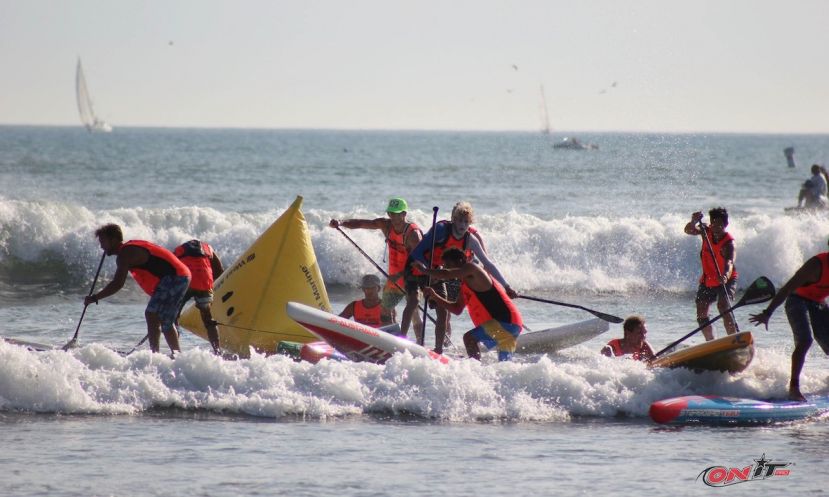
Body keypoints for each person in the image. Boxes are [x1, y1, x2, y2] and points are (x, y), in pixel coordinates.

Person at [410, 201, 517, 354]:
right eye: (459, 220)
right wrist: (428, 269)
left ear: (470, 223)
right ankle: (438, 349)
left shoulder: (470, 239)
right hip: (430, 269)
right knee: (442, 310)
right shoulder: (441, 230)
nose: (462, 224)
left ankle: (444, 346)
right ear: (453, 219)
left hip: (453, 272)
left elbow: (488, 263)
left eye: (466, 222)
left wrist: (506, 286)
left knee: (450, 310)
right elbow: (417, 252)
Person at [84, 224, 191, 354]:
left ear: (113, 239)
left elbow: (117, 284)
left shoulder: (125, 254)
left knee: (153, 314)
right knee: (163, 318)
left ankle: (158, 355)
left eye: (103, 242)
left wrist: (95, 297)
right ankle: (173, 355)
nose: (101, 246)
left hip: (175, 277)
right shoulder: (128, 248)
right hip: (181, 275)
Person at [329, 197, 423, 338]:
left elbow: (419, 261)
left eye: (397, 214)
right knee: (385, 311)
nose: (394, 217)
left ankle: (420, 345)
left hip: (412, 278)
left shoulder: (413, 234)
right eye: (391, 213)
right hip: (394, 279)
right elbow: (362, 223)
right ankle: (393, 342)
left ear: (404, 214)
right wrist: (341, 223)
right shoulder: (386, 225)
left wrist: (400, 275)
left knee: (414, 314)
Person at [749, 245, 829, 402]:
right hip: (797, 301)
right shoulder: (815, 265)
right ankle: (794, 388)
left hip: (819, 302)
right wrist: (768, 312)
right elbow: (787, 288)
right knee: (805, 340)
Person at [415, 247, 522, 361]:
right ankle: (478, 370)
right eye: (444, 265)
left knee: (469, 338)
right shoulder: (464, 286)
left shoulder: (473, 268)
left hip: (506, 321)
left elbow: (446, 274)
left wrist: (424, 270)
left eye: (447, 264)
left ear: (460, 261)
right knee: (504, 367)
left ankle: (475, 366)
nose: (445, 268)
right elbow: (456, 309)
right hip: (509, 325)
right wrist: (435, 296)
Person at [684, 208, 738, 341]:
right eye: (713, 223)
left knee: (723, 307)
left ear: (725, 225)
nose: (716, 227)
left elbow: (730, 262)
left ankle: (733, 339)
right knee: (701, 313)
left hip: (726, 279)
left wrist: (725, 276)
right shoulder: (706, 232)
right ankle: (710, 342)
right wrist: (693, 221)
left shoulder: (729, 243)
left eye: (720, 224)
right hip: (708, 279)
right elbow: (688, 230)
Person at [174, 239, 224, 354]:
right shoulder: (208, 248)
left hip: (185, 281)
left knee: (174, 318)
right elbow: (220, 271)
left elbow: (171, 270)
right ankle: (217, 351)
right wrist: (210, 284)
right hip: (204, 280)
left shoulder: (178, 250)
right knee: (208, 319)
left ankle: (176, 352)